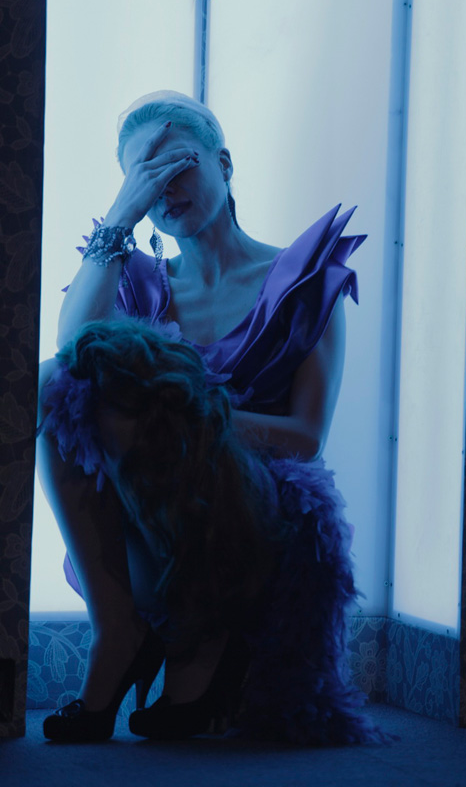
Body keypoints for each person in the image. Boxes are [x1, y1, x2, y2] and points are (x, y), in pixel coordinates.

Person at [37, 90, 397, 745]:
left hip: (252, 527)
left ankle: (204, 642)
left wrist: (185, 419)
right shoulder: (136, 281)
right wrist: (120, 216)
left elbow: (305, 440)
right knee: (57, 382)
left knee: (135, 406)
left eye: (176, 165)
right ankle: (119, 630)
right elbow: (71, 360)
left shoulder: (298, 279)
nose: (163, 188)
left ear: (223, 164)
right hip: (148, 533)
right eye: (143, 176)